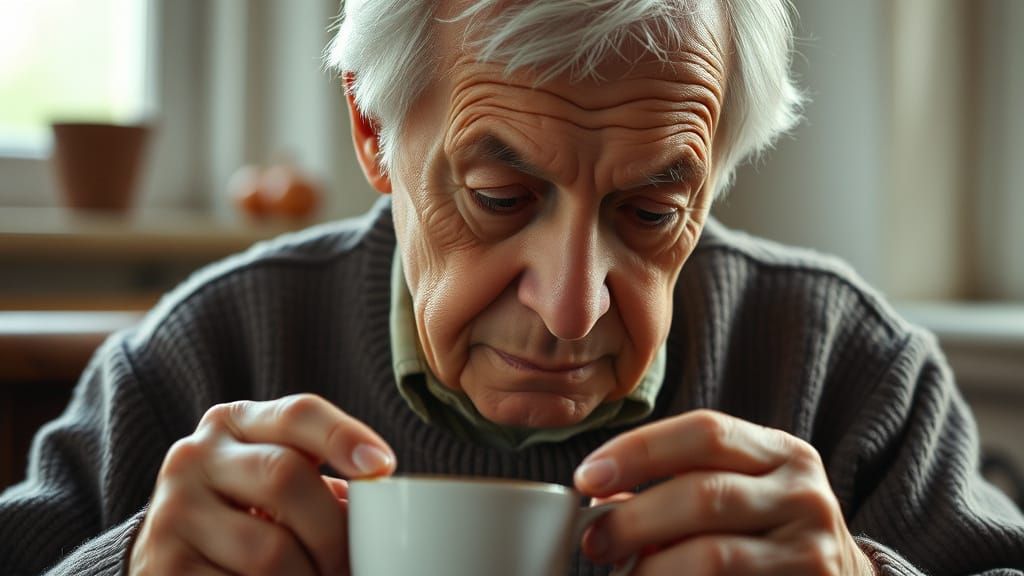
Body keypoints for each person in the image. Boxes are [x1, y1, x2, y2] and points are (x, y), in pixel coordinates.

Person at [2, 0, 1023, 574]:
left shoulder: (847, 374)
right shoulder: (197, 364)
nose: (572, 308)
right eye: (498, 196)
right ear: (371, 129)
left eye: (652, 213)